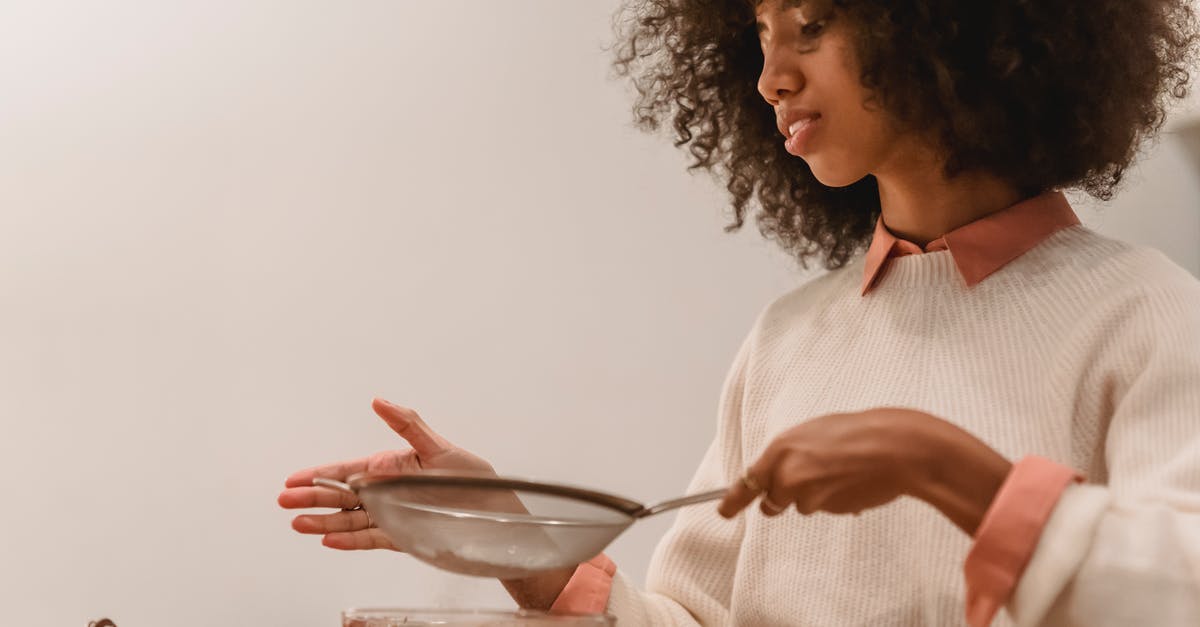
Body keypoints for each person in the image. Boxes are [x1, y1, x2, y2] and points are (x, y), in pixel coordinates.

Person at [278, 0, 1200, 624]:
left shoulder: (1142, 312)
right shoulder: (791, 339)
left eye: (810, 23)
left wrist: (939, 465)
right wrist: (526, 544)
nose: (770, 76)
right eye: (760, 32)